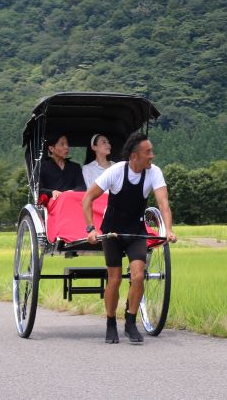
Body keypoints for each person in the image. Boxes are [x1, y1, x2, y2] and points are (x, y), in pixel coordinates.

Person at [82, 130, 177, 344]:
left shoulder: (154, 172)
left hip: (136, 231)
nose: (152, 155)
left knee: (138, 276)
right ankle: (110, 323)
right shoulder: (115, 172)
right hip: (112, 231)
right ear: (135, 156)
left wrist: (168, 230)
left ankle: (131, 321)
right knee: (114, 279)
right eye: (148, 152)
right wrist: (90, 229)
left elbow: (163, 204)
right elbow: (87, 198)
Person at [39, 133, 86, 199]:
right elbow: (38, 189)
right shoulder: (42, 167)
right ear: (51, 148)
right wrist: (52, 192)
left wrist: (72, 191)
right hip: (53, 202)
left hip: (72, 199)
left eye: (67, 144)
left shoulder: (75, 167)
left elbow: (82, 186)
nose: (66, 147)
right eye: (62, 144)